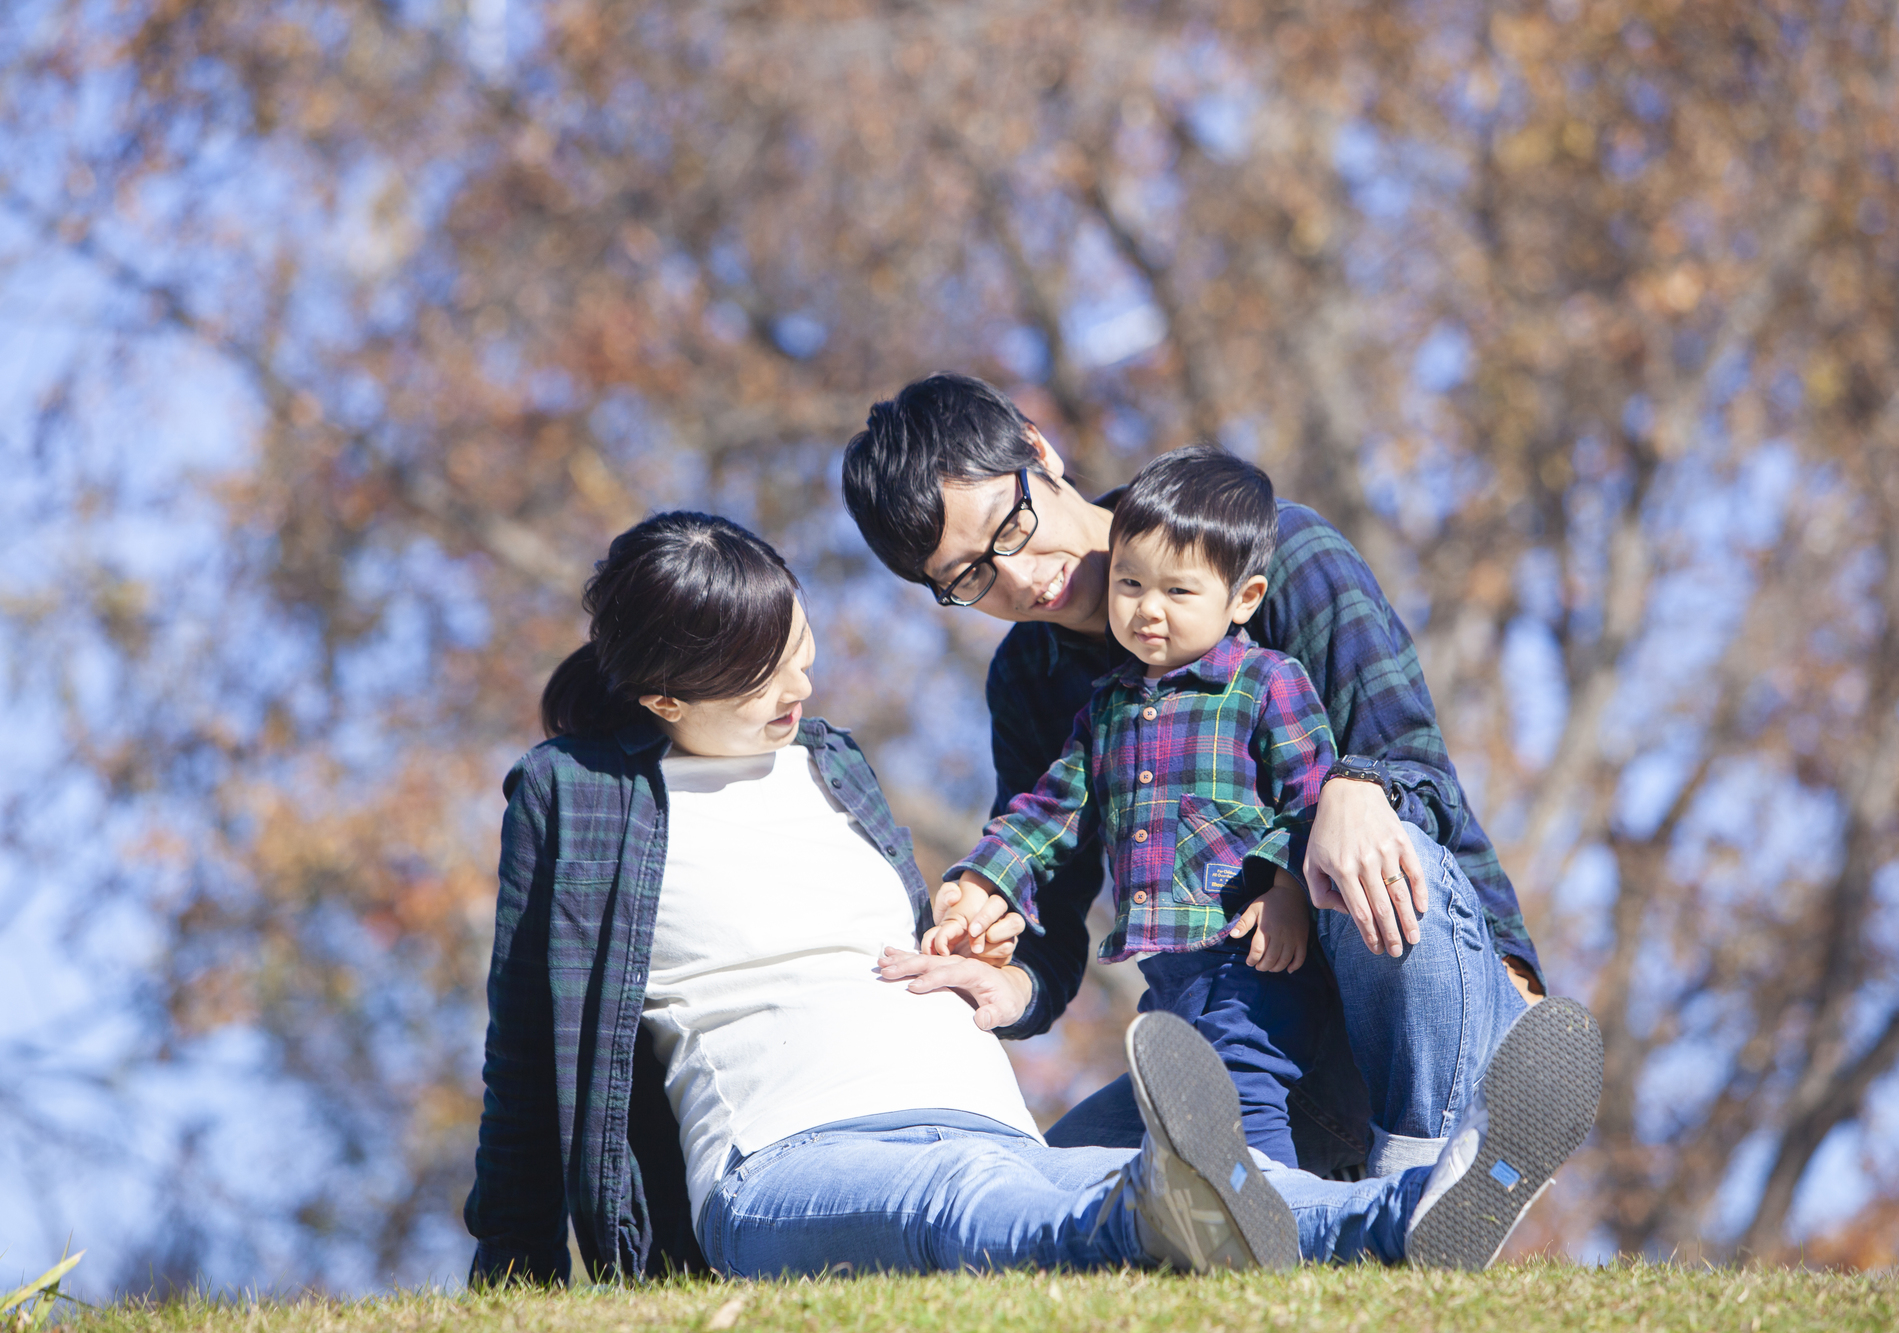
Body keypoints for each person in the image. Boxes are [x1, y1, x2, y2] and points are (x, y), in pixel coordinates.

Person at [462, 509, 1604, 1282]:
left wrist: (980, 965)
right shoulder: (577, 796)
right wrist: (508, 1275)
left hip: (985, 1120)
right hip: (791, 1155)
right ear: (664, 698)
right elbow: (527, 1054)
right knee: (970, 1201)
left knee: (1124, 1175)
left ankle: (1411, 1215)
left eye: (801, 648)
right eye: (760, 677)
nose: (798, 685)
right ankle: (1206, 1205)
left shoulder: (834, 763)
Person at [842, 374, 1548, 1178]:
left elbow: (1412, 767)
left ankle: (1454, 1133)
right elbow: (1050, 895)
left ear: (1041, 451)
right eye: (969, 576)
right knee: (1039, 1189)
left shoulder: (1275, 553)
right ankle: (1348, 1202)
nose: (1020, 576)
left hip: (1415, 999)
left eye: (1012, 526)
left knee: (1370, 843)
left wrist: (1356, 786)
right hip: (1251, 1034)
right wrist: (1006, 973)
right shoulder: (1032, 678)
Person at [932, 446, 1338, 1166]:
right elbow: (1048, 809)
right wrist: (983, 876)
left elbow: (1314, 793)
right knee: (1175, 1108)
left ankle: (1288, 1218)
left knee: (1244, 1082)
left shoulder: (1266, 682)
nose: (1147, 609)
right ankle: (1221, 1234)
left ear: (1242, 599)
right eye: (1129, 583)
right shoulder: (1105, 709)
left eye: (1178, 593)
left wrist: (1285, 888)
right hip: (1165, 968)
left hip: (1249, 952)